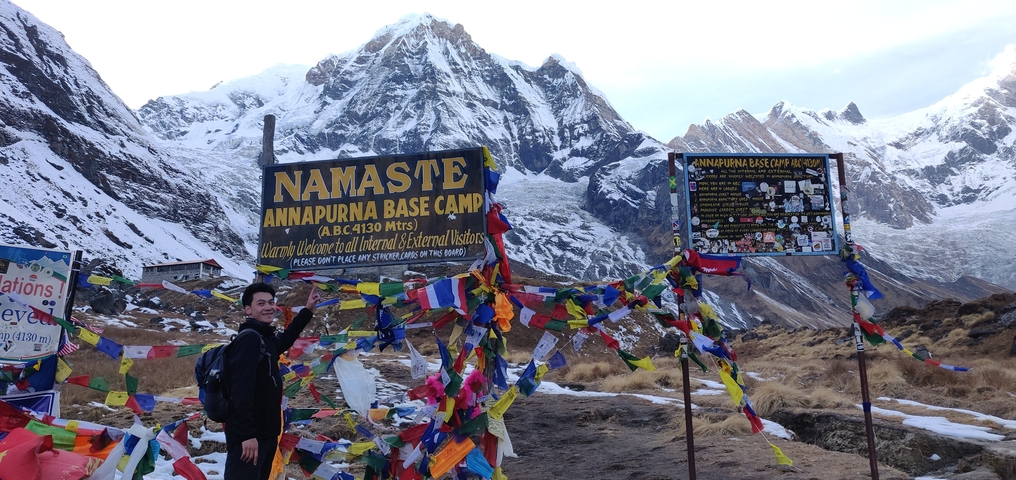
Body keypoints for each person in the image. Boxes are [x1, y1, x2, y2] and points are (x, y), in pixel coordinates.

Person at [224, 282, 321, 480]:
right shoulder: (249, 339)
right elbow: (240, 390)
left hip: (265, 434)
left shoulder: (263, 338)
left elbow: (286, 339)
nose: (268, 307)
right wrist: (247, 435)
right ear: (248, 310)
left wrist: (307, 310)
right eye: (261, 303)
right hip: (250, 438)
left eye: (271, 302)